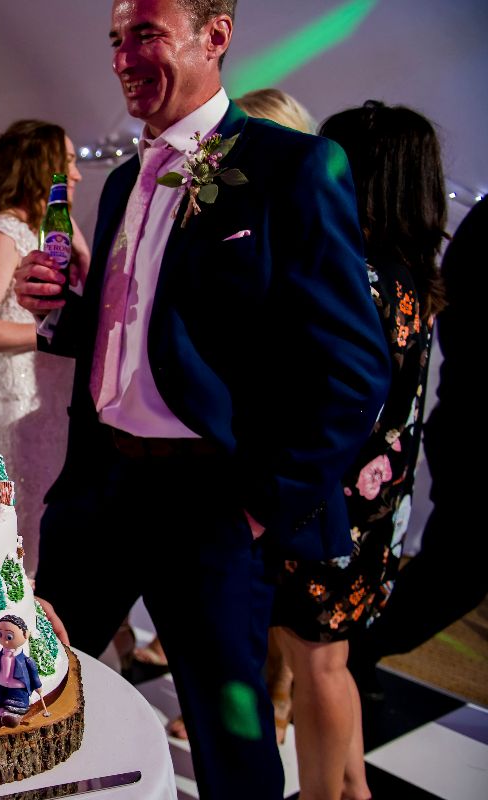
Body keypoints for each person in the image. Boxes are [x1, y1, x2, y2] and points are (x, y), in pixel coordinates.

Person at [14, 2, 391, 798]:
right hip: (102, 492)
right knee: (32, 693)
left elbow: (357, 370)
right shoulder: (120, 182)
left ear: (214, 36)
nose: (122, 58)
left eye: (145, 35)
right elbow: (146, 331)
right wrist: (62, 312)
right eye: (116, 40)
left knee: (232, 743)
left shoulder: (295, 168)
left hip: (212, 506)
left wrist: (258, 506)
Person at [272, 101, 446, 800]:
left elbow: (323, 394)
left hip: (329, 496)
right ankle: (350, 789)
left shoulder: (359, 277)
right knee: (331, 658)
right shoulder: (410, 277)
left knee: (317, 663)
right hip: (379, 498)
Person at [140, 86, 316, 747]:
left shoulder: (305, 222)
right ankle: (231, 706)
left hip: (275, 451)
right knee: (221, 603)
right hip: (213, 445)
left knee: (268, 598)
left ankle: (273, 699)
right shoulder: (214, 218)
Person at [347, 199, 487, 698]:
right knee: (458, 568)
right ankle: (357, 650)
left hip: (452, 421)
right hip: (473, 427)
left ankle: (355, 651)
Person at [0, 120, 87, 579]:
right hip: (17, 404)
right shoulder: (6, 231)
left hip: (54, 405)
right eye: (68, 163)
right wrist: (53, 334)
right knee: (21, 537)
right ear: (43, 167)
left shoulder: (51, 229)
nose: (78, 174)